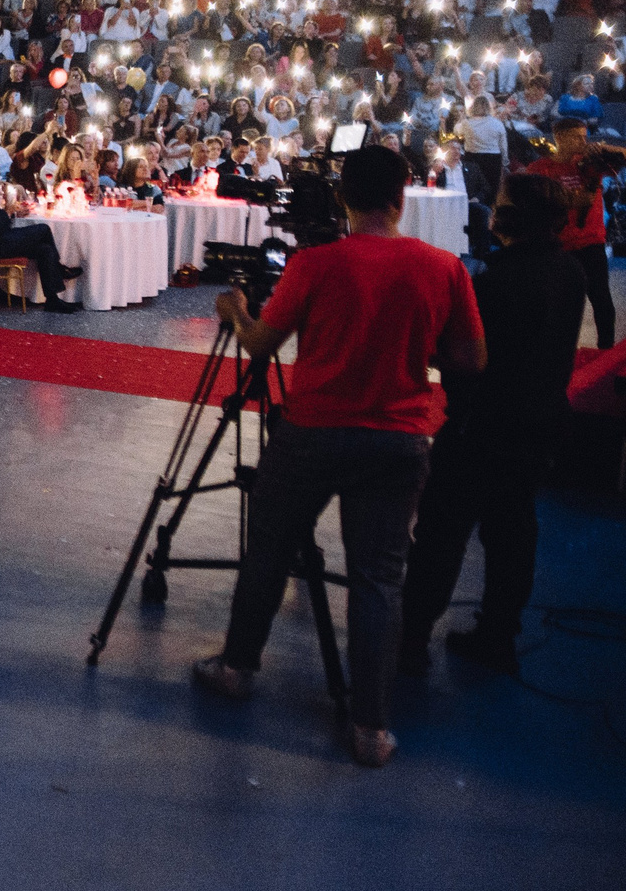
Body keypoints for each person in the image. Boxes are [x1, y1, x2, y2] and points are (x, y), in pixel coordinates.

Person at [192, 145, 485, 769]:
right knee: (379, 581)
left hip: (313, 431)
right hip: (400, 439)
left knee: (269, 550)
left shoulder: (316, 263)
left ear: (345, 197)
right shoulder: (443, 267)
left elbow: (262, 345)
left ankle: (238, 669)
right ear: (401, 196)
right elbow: (469, 360)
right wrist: (409, 349)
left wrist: (238, 312)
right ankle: (370, 728)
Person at [401, 175, 587, 675]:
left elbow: (469, 358)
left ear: (513, 217)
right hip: (539, 421)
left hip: (481, 427)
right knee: (513, 532)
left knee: (442, 533)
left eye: (501, 206)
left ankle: (412, 638)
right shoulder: (570, 271)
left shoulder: (495, 281)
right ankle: (498, 635)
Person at [523, 117, 616, 350]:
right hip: (559, 245)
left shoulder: (591, 162)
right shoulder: (541, 169)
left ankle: (607, 351)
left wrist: (603, 148)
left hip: (591, 241)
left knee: (602, 300)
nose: (583, 141)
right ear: (560, 138)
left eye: (585, 136)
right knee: (561, 306)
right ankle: (560, 355)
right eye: (577, 136)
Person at [0, 154, 83, 312]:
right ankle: (60, 270)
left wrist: (11, 213)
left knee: (45, 249)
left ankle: (52, 299)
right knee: (43, 229)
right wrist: (7, 212)